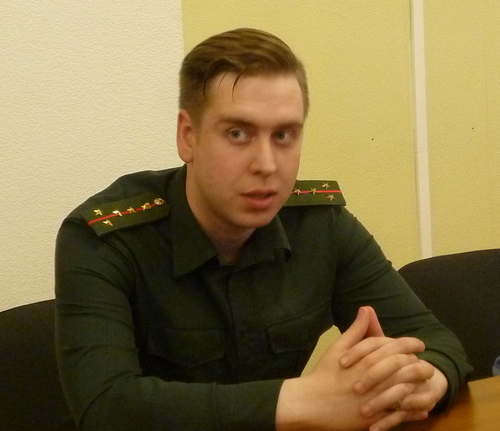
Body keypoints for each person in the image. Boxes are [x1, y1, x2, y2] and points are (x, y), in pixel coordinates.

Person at [55, 28, 471, 431]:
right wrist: (306, 400)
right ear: (188, 136)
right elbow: (106, 408)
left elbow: (435, 342)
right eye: (238, 134)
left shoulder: (320, 226)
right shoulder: (104, 240)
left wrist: (423, 383)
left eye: (284, 135)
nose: (267, 165)